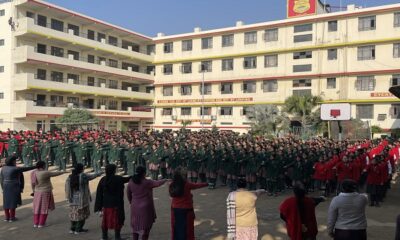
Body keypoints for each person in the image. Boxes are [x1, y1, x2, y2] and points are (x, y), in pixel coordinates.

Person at [127, 166, 168, 240]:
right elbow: (157, 183)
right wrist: (165, 180)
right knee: (146, 228)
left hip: (135, 206)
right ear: (143, 173)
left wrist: (131, 202)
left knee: (135, 227)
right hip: (146, 207)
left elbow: (128, 194)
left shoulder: (131, 182)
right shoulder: (146, 182)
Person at [169, 168, 208, 240]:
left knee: (176, 227)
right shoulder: (186, 184)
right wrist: (206, 183)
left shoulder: (172, 184)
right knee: (188, 229)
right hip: (186, 210)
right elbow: (197, 185)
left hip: (175, 209)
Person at [95, 164, 130, 240]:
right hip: (116, 204)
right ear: (114, 170)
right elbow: (128, 179)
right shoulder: (118, 178)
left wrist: (99, 206)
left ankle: (104, 237)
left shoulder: (103, 179)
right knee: (117, 220)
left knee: (105, 220)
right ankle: (117, 237)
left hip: (106, 204)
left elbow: (99, 193)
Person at [65, 163, 101, 235]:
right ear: (81, 169)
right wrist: (100, 173)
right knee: (82, 214)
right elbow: (92, 176)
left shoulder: (69, 176)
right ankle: (78, 229)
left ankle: (72, 229)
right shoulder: (82, 176)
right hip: (81, 198)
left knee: (74, 214)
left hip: (72, 198)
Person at [0, 156, 36, 222]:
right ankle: (12, 217)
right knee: (12, 202)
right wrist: (36, 166)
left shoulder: (3, 168)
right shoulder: (15, 168)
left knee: (6, 202)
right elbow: (26, 169)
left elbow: (1, 179)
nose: (15, 161)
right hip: (13, 186)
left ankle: (7, 217)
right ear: (12, 161)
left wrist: (3, 188)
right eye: (14, 160)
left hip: (5, 186)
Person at [31, 160, 65, 228]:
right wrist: (64, 171)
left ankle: (36, 223)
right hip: (45, 192)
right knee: (44, 208)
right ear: (43, 166)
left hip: (37, 191)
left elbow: (33, 184)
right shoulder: (44, 173)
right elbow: (56, 173)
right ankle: (41, 223)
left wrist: (33, 191)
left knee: (37, 208)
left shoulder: (33, 172)